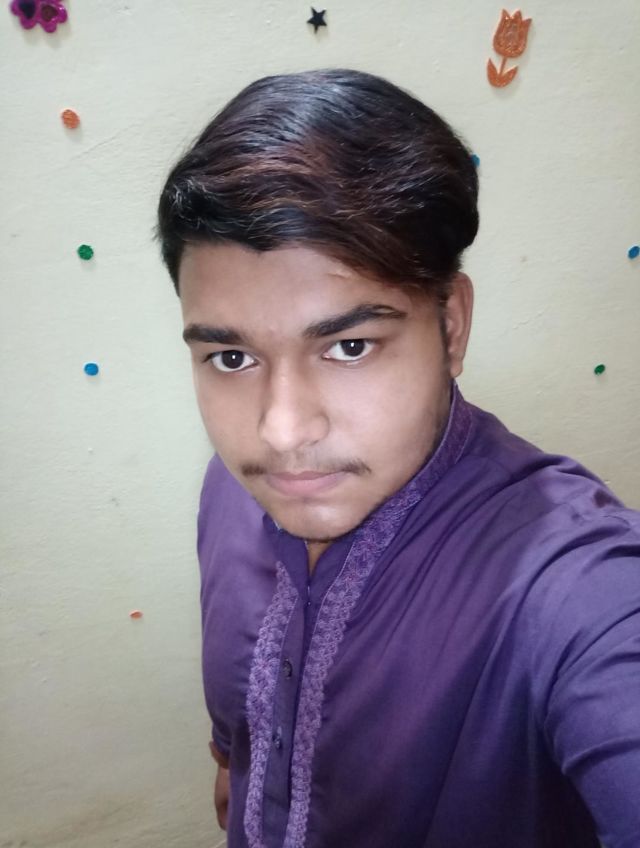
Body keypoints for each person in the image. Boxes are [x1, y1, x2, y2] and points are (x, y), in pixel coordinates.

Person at [156, 69, 640, 848]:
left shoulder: (577, 587)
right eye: (231, 358)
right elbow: (238, 726)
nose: (282, 432)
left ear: (451, 327)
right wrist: (233, 761)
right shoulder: (234, 487)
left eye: (349, 346)